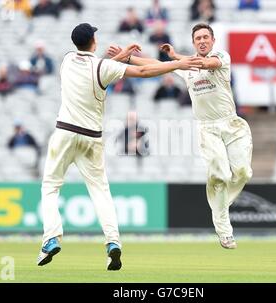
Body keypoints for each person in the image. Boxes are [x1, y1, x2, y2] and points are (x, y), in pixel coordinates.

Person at [37, 23, 202, 270]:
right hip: (91, 138)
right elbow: (144, 71)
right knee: (100, 191)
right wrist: (177, 64)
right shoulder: (104, 67)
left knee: (50, 186)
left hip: (64, 133)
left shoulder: (67, 60)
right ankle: (113, 242)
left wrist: (121, 56)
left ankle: (51, 237)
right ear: (93, 42)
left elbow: (95, 65)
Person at [107, 23, 253, 250]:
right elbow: (156, 65)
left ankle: (220, 208)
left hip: (232, 124)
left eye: (206, 37)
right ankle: (223, 227)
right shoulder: (185, 67)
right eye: (198, 38)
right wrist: (128, 59)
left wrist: (176, 57)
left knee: (243, 172)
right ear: (194, 42)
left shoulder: (221, 56)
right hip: (208, 127)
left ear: (213, 41)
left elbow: (208, 63)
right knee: (220, 173)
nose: (203, 41)